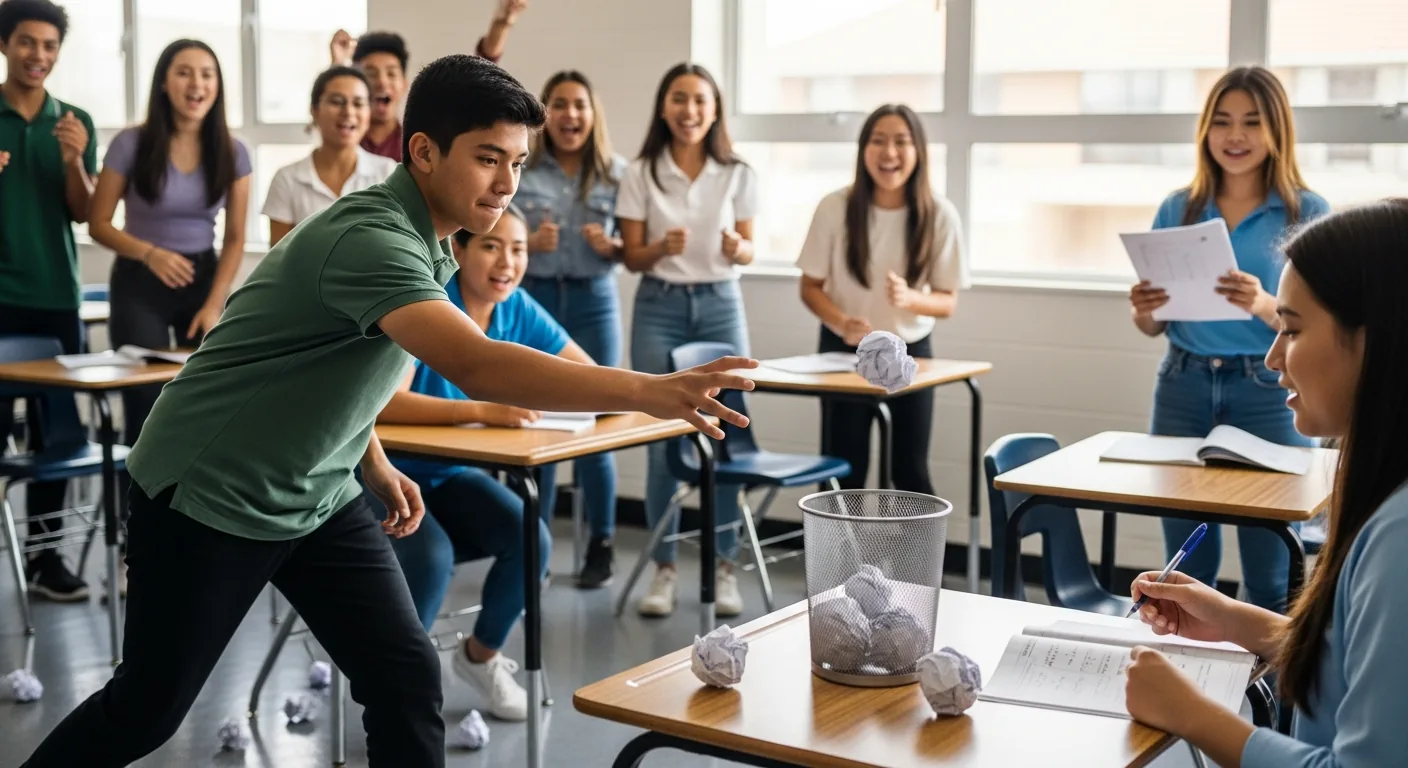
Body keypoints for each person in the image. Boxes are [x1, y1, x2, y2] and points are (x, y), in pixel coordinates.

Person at [19, 54, 755, 768]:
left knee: (404, 678)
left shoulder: (433, 240)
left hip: (317, 494)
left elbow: (331, 363)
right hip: (209, 494)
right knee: (144, 711)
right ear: (425, 151)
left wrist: (368, 461)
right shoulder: (373, 239)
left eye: (517, 162)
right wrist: (649, 389)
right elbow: (474, 364)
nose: (507, 183)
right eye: (488, 158)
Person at [1122, 199, 1408, 767]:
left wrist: (1192, 715)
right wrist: (1230, 618)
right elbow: (1358, 658)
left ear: (1373, 342)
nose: (1274, 357)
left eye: (1292, 330)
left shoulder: (1399, 535)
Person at [379, 205, 596, 721]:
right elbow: (387, 403)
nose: (507, 262)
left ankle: (480, 657)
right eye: (492, 246)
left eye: (518, 249)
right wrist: (481, 408)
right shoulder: (429, 302)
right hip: (383, 473)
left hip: (450, 473)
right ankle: (399, 692)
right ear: (459, 250)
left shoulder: (517, 307)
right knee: (432, 558)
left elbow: (583, 373)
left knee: (529, 537)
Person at [1128, 66, 1329, 613]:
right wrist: (1144, 311)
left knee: (1271, 567)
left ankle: (1266, 696)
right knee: (1185, 570)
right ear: (1205, 131)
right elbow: (1155, 325)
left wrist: (1264, 303)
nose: (1234, 136)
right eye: (1221, 122)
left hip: (1270, 389)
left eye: (1250, 122)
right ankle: (1187, 688)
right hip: (1183, 382)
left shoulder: (1306, 212)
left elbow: (1324, 321)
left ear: (1276, 131)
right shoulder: (1179, 206)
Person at [618, 62, 757, 619]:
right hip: (660, 306)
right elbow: (630, 257)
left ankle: (723, 567)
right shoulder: (641, 171)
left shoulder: (737, 171)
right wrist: (659, 246)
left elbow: (750, 249)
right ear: (663, 106)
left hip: (722, 302)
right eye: (679, 98)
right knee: (662, 439)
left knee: (724, 436)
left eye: (699, 100)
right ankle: (663, 569)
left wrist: (736, 249)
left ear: (714, 109)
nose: (689, 110)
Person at [88, 39, 251, 450]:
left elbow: (234, 239)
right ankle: (136, 511)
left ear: (217, 85)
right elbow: (98, 223)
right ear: (164, 82)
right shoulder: (130, 143)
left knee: (207, 402)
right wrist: (149, 253)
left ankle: (193, 509)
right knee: (145, 403)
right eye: (184, 72)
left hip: (204, 282)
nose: (196, 84)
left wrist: (215, 305)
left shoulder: (234, 152)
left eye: (207, 74)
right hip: (138, 281)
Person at [796, 104, 964, 494]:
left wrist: (911, 299)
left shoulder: (939, 213)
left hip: (911, 352)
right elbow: (809, 287)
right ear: (863, 150)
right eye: (878, 141)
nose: (889, 153)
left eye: (901, 142)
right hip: (844, 351)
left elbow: (947, 301)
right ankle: (837, 557)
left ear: (918, 151)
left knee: (909, 472)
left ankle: (906, 557)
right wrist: (841, 323)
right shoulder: (835, 206)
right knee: (843, 471)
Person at [0, 0, 96, 601]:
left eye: (50, 45)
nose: (39, 55)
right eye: (27, 43)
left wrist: (73, 162)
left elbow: (86, 211)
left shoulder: (74, 121)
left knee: (56, 431)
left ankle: (44, 558)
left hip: (57, 295)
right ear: (6, 44)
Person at [516, 69, 626, 589]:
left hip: (594, 301)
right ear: (546, 114)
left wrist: (615, 249)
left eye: (578, 105)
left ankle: (600, 544)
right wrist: (527, 245)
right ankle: (534, 545)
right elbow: (495, 235)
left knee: (599, 424)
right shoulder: (524, 171)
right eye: (558, 104)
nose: (569, 115)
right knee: (541, 421)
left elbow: (636, 245)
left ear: (592, 114)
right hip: (537, 299)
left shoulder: (616, 174)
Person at [329, 0, 528, 162]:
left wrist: (501, 26)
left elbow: (472, 84)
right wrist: (337, 65)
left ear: (404, 84)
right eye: (371, 74)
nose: (382, 82)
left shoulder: (419, 140)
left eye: (391, 74)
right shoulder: (344, 139)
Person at [263, 66, 397, 245]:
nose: (348, 112)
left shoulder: (388, 173)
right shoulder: (287, 179)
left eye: (358, 104)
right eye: (336, 101)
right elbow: (278, 261)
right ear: (314, 110)